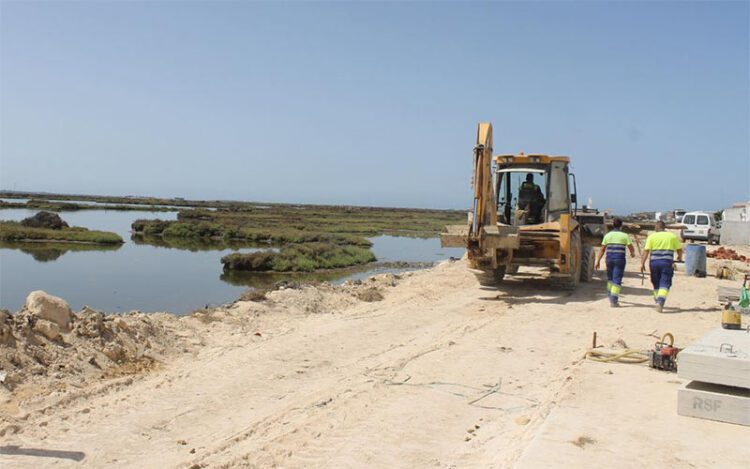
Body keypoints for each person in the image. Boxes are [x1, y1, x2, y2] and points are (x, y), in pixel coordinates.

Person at [641, 220, 683, 312]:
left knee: (656, 282)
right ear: (664, 227)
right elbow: (679, 249)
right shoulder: (672, 236)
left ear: (656, 227)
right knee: (665, 282)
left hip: (654, 263)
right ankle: (660, 301)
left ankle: (657, 300)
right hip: (666, 262)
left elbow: (646, 251)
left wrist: (642, 263)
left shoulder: (651, 237)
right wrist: (679, 257)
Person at [595, 218, 635, 307]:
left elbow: (602, 249)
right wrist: (632, 253)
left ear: (613, 225)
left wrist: (598, 261)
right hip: (619, 259)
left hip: (609, 259)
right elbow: (630, 247)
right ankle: (613, 300)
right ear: (621, 226)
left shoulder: (607, 235)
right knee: (617, 280)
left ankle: (610, 295)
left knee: (610, 279)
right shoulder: (624, 236)